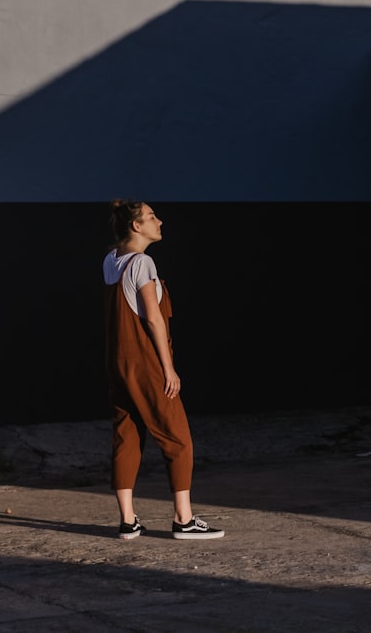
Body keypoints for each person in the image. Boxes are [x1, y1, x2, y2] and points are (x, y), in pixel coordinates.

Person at [103, 199, 223, 540]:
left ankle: (128, 520)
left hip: (117, 361)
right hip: (145, 362)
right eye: (152, 217)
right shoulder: (142, 263)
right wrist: (168, 368)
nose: (160, 221)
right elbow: (153, 318)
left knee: (126, 436)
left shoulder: (111, 261)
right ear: (136, 226)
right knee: (178, 439)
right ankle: (183, 519)